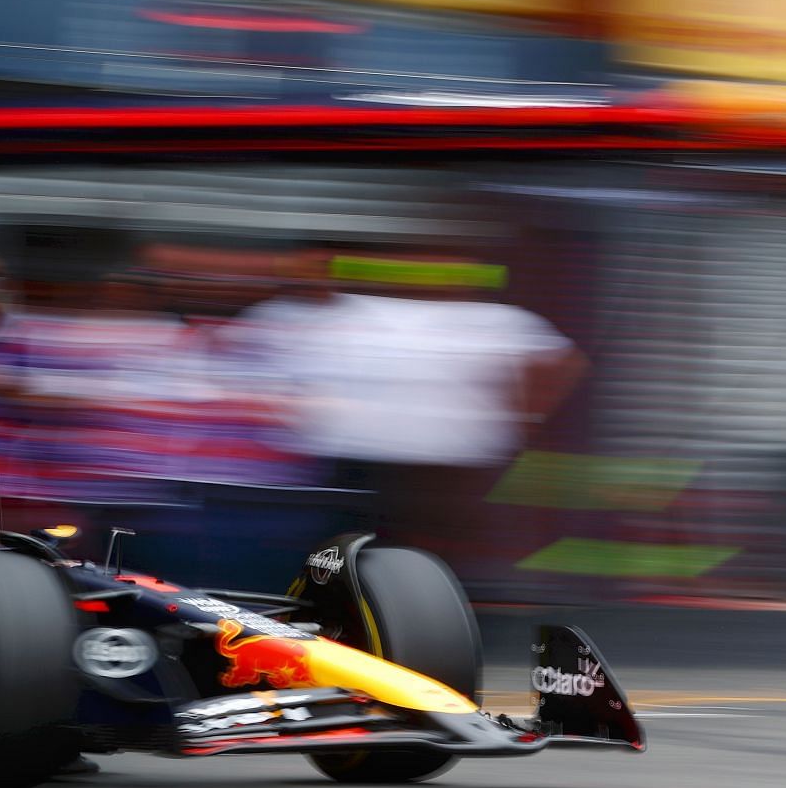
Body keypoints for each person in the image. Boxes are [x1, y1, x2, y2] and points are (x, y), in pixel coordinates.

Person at [235, 242, 586, 588]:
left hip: (447, 467)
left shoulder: (491, 319)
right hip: (354, 461)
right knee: (347, 555)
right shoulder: (338, 312)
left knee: (425, 558)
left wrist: (521, 421)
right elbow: (245, 351)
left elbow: (561, 362)